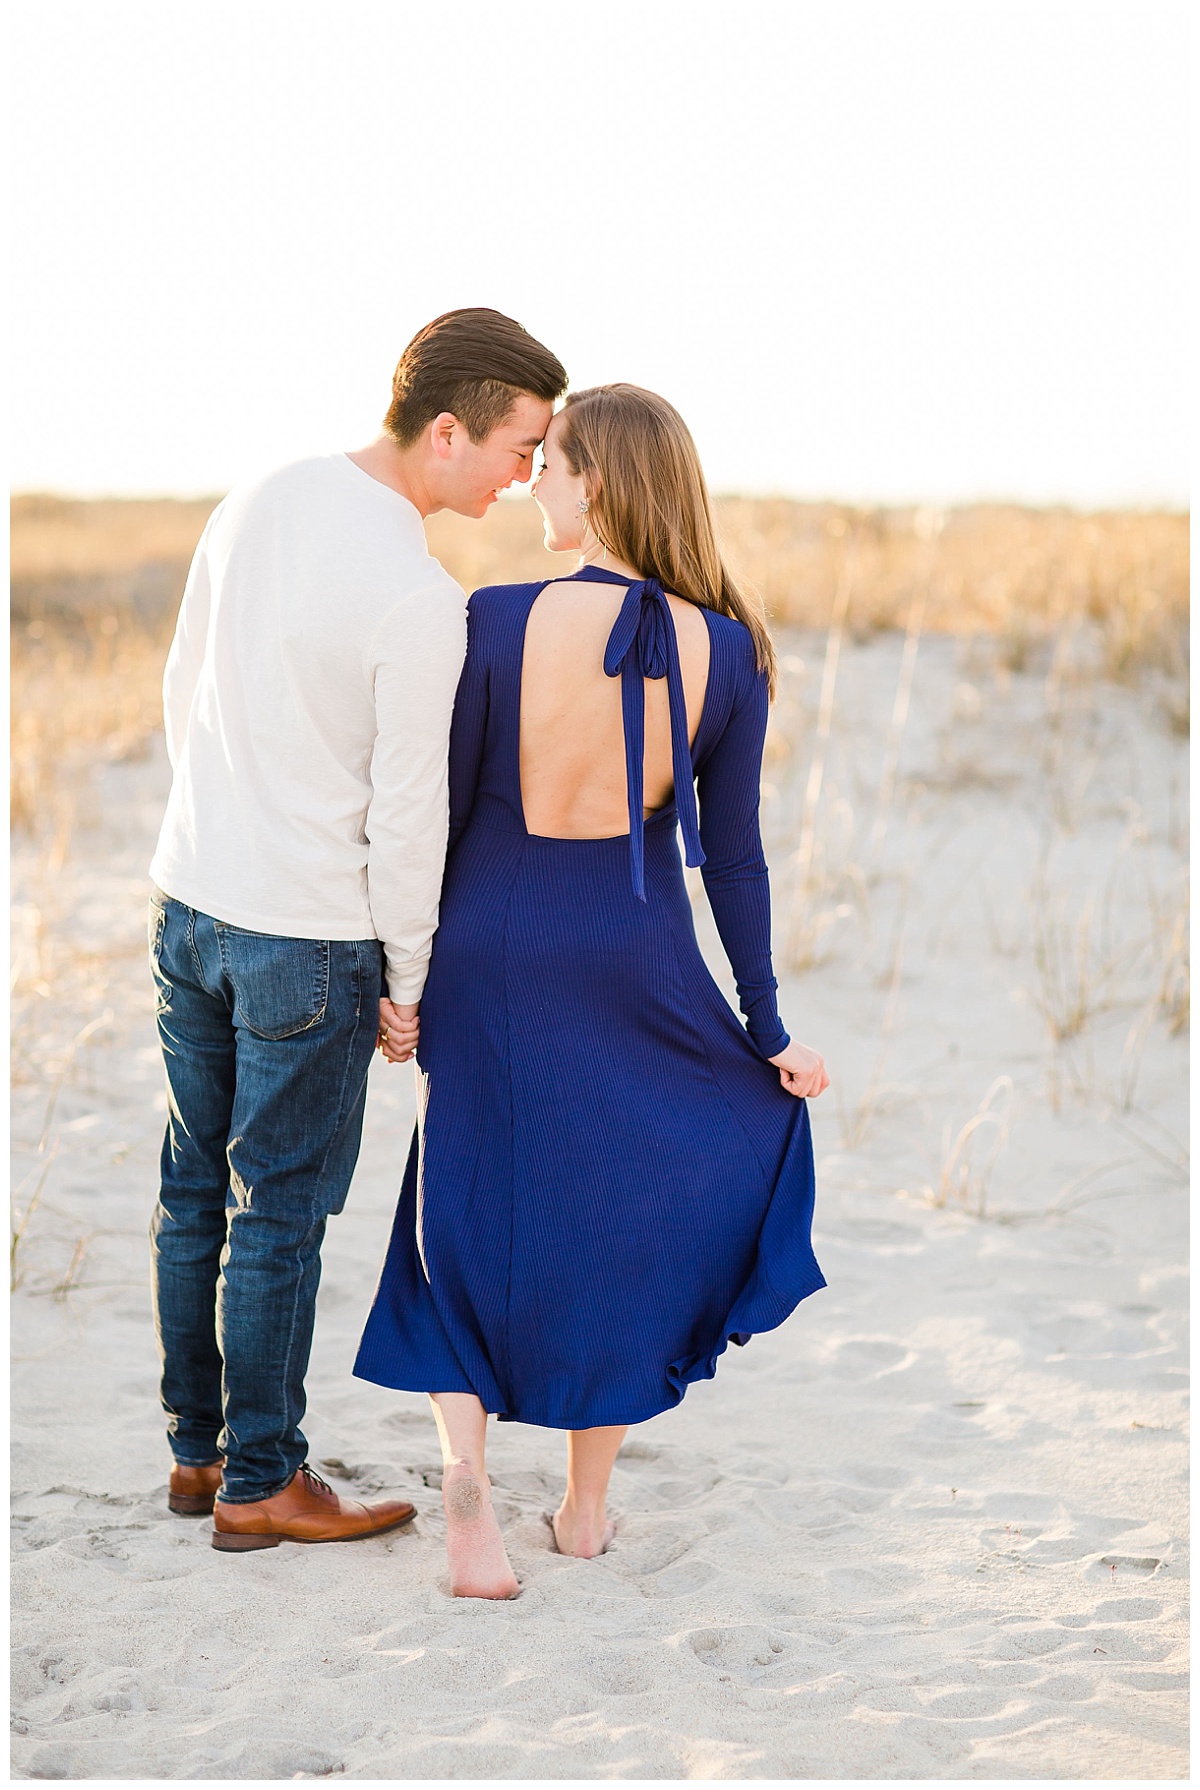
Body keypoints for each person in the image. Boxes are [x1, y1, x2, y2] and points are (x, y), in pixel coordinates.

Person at [355, 384, 829, 1597]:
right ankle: (583, 1504)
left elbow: (446, 815)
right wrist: (766, 1027)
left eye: (553, 463)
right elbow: (735, 856)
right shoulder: (729, 647)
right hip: (631, 947)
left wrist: (403, 970)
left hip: (492, 940)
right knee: (615, 1215)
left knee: (457, 1204)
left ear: (600, 484)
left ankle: (467, 1477)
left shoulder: (495, 618)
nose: (536, 483)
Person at [147, 308, 567, 1551]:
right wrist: (410, 978)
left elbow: (185, 686)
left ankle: (197, 1452)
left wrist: (220, 829)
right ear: (449, 429)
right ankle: (263, 1479)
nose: (524, 477)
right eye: (518, 446)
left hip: (192, 902)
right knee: (275, 1208)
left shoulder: (260, 494)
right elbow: (407, 812)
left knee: (192, 1190)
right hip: (309, 939)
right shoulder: (418, 595)